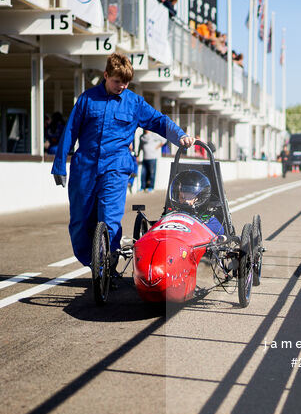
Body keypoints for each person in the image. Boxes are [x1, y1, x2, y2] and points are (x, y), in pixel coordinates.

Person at [52, 52, 195, 266]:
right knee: (80, 222)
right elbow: (70, 131)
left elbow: (158, 121)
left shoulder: (134, 102)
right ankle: (92, 263)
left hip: (116, 168)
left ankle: (107, 265)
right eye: (117, 81)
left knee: (110, 219)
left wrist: (180, 135)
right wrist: (59, 166)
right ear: (106, 75)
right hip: (85, 168)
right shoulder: (87, 99)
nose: (122, 86)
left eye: (126, 82)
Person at [169, 170, 224, 235]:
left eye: (189, 197)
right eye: (182, 197)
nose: (185, 201)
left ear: (198, 198)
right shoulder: (171, 214)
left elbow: (220, 230)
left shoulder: (205, 217)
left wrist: (195, 225)